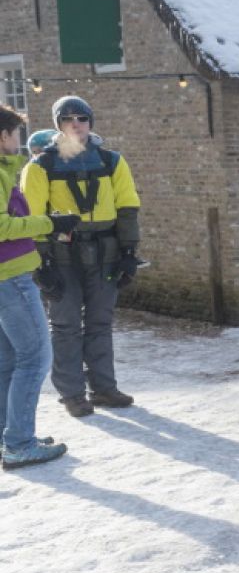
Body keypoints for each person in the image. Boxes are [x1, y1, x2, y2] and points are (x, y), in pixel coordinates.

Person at [20, 96, 139, 418]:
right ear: (58, 123)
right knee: (66, 325)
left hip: (105, 253)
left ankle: (103, 388)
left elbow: (127, 208)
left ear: (90, 122)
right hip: (62, 255)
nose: (76, 124)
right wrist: (41, 263)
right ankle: (72, 393)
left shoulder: (111, 161)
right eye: (68, 118)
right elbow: (32, 217)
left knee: (100, 322)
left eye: (82, 118)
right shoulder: (40, 166)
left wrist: (129, 252)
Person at [0, 106, 75, 469]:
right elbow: (2, 227)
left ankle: (9, 435)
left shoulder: (6, 172)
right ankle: (19, 443)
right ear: (3, 137)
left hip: (6, 278)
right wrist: (49, 222)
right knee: (35, 358)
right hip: (9, 278)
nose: (19, 141)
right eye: (15, 133)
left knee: (9, 361)